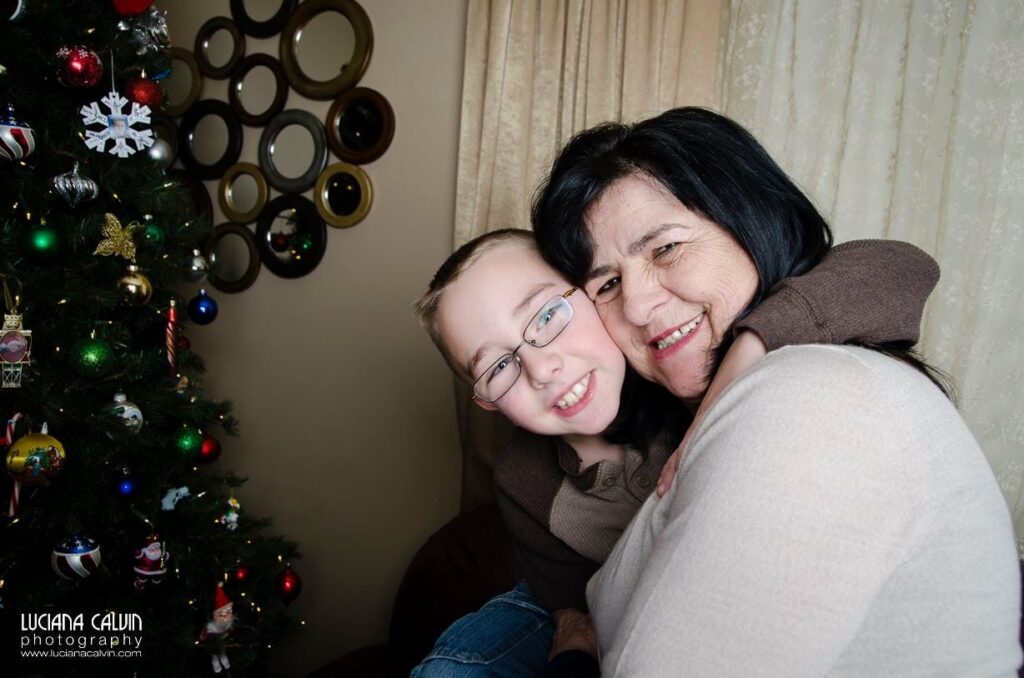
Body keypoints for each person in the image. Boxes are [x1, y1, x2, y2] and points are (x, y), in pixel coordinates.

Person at [531, 106, 1022, 675]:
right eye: (608, 283)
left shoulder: (810, 401)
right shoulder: (688, 423)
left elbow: (901, 265)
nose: (637, 305)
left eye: (665, 248)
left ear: (752, 223)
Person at [410, 223, 940, 676]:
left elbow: (899, 264)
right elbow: (578, 615)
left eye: (547, 316)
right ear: (485, 402)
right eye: (498, 367)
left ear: (597, 293)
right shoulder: (522, 480)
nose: (541, 368)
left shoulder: (681, 365)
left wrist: (738, 367)